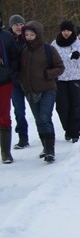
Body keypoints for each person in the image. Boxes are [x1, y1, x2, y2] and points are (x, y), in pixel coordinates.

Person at [17, 21, 64, 162]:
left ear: (38, 35)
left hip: (48, 89)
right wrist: (22, 81)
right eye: (27, 35)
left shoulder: (48, 49)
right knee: (39, 120)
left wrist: (47, 74)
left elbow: (60, 67)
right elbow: (19, 70)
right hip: (30, 91)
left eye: (32, 34)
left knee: (45, 118)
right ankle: (45, 146)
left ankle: (50, 150)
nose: (29, 37)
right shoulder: (23, 51)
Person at [51, 20, 80, 142]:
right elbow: (49, 59)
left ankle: (76, 131)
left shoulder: (78, 43)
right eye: (64, 30)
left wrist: (77, 56)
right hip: (60, 79)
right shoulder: (55, 44)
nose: (66, 33)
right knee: (62, 106)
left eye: (68, 30)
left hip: (75, 78)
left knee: (76, 105)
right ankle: (67, 128)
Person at [1, 18, 21, 164]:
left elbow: (15, 57)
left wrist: (9, 71)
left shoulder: (6, 36)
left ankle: (5, 152)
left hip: (3, 81)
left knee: (3, 115)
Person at [8, 14, 29, 150]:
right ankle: (22, 137)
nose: (19, 27)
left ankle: (45, 136)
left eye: (21, 24)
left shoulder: (28, 38)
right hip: (14, 81)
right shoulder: (6, 39)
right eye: (16, 25)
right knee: (19, 111)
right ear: (11, 26)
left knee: (38, 111)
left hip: (29, 79)